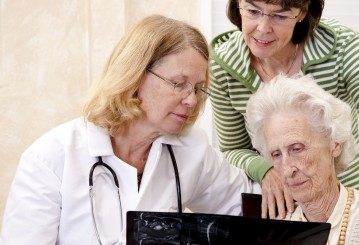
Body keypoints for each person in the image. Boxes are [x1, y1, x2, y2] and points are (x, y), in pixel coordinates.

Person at [1, 15, 254, 245]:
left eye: (198, 89)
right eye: (179, 84)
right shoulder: (50, 158)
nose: (191, 100)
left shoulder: (191, 148)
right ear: (134, 76)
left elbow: (246, 205)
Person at [210, 0, 359, 242]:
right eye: (253, 11)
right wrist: (264, 169)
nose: (263, 28)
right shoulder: (223, 66)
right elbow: (233, 149)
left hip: (352, 213)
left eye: (280, 16)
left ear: (302, 14)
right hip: (286, 221)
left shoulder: (341, 47)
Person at [245, 75, 359, 244]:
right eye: (276, 155)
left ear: (335, 144)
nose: (287, 170)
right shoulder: (274, 234)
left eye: (297, 149)